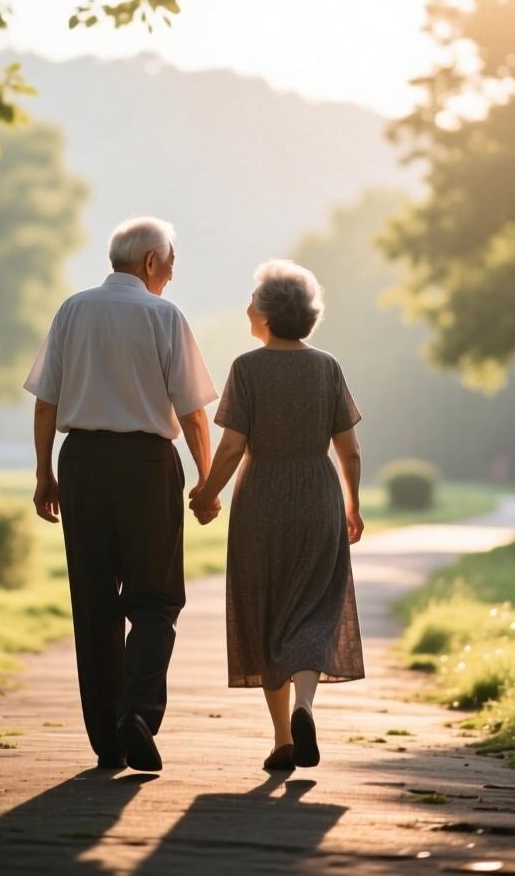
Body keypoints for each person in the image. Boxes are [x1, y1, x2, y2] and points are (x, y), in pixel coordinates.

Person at [24, 217, 218, 772]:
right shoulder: (164, 315)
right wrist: (206, 481)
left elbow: (45, 403)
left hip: (82, 461)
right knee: (156, 599)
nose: (173, 273)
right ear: (153, 263)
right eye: (173, 262)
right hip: (146, 465)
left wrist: (44, 474)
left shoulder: (72, 310)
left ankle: (107, 742)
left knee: (94, 601)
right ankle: (136, 711)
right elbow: (193, 412)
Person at [189, 259, 364, 771]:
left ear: (266, 314)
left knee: (267, 609)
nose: (247, 307)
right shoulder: (327, 367)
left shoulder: (248, 368)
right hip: (317, 497)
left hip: (261, 499)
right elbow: (349, 450)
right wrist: (352, 504)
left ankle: (284, 738)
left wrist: (205, 495)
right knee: (314, 606)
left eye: (252, 300)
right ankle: (307, 706)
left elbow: (231, 448)